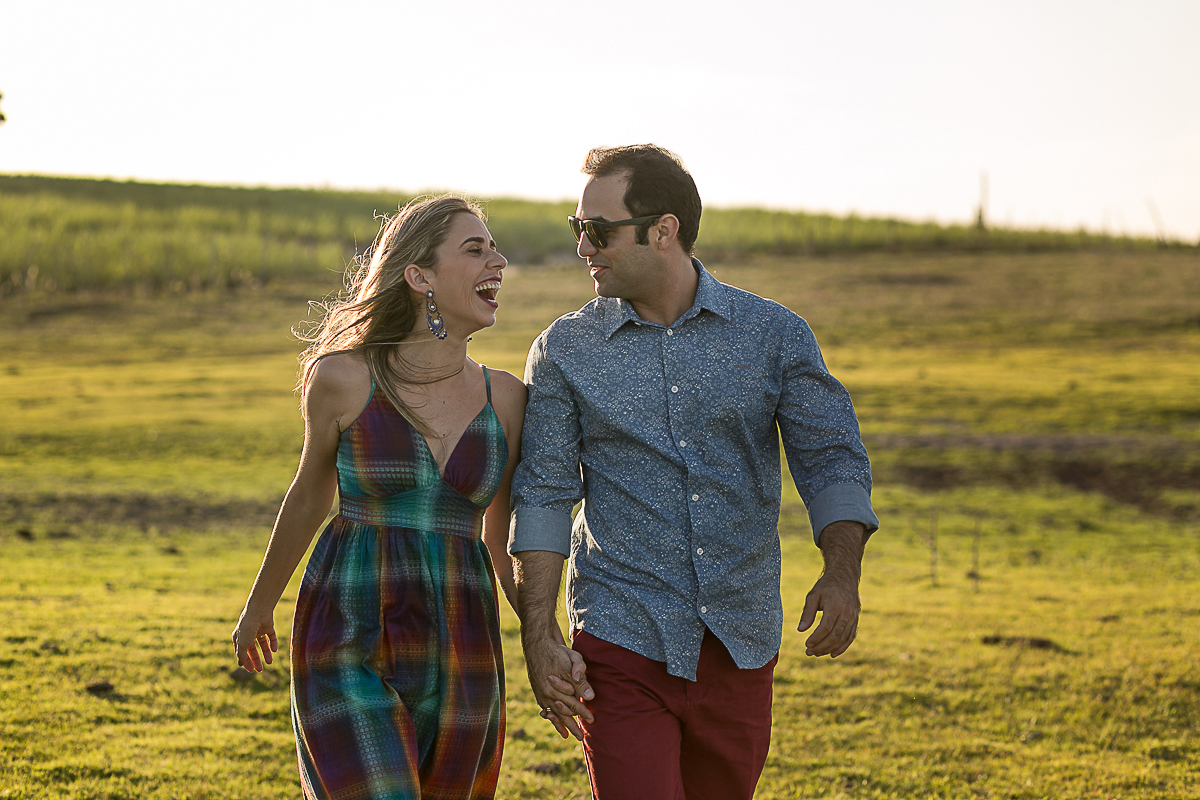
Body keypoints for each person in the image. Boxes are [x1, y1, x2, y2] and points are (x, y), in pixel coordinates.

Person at [508, 145, 879, 800]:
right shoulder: (564, 351)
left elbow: (831, 455)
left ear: (664, 229)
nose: (582, 247)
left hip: (741, 641)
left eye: (597, 231)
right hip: (619, 640)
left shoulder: (774, 335)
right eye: (578, 230)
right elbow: (542, 495)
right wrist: (537, 635)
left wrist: (841, 574)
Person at [232, 195, 526, 800]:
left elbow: (501, 538)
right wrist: (259, 603)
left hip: (462, 637)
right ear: (419, 277)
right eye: (475, 249)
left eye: (494, 246)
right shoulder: (343, 377)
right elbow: (310, 494)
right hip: (349, 622)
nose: (497, 260)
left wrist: (544, 640)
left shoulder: (508, 399)